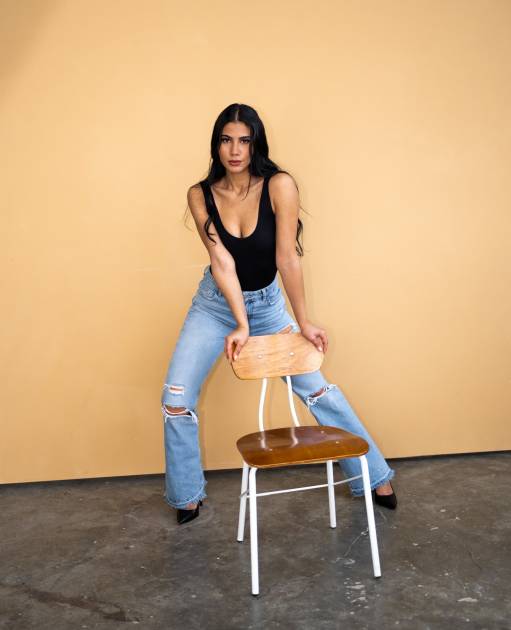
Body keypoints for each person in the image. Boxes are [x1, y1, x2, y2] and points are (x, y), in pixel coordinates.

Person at [161, 103, 397, 525]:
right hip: (215, 305)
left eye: (244, 140)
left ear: (256, 144)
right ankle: (187, 495)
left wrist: (303, 322)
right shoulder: (200, 195)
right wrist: (240, 324)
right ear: (216, 144)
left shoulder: (279, 185)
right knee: (175, 402)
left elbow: (287, 258)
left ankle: (374, 476)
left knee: (319, 391)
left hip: (269, 306)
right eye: (226, 140)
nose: (235, 150)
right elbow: (222, 262)